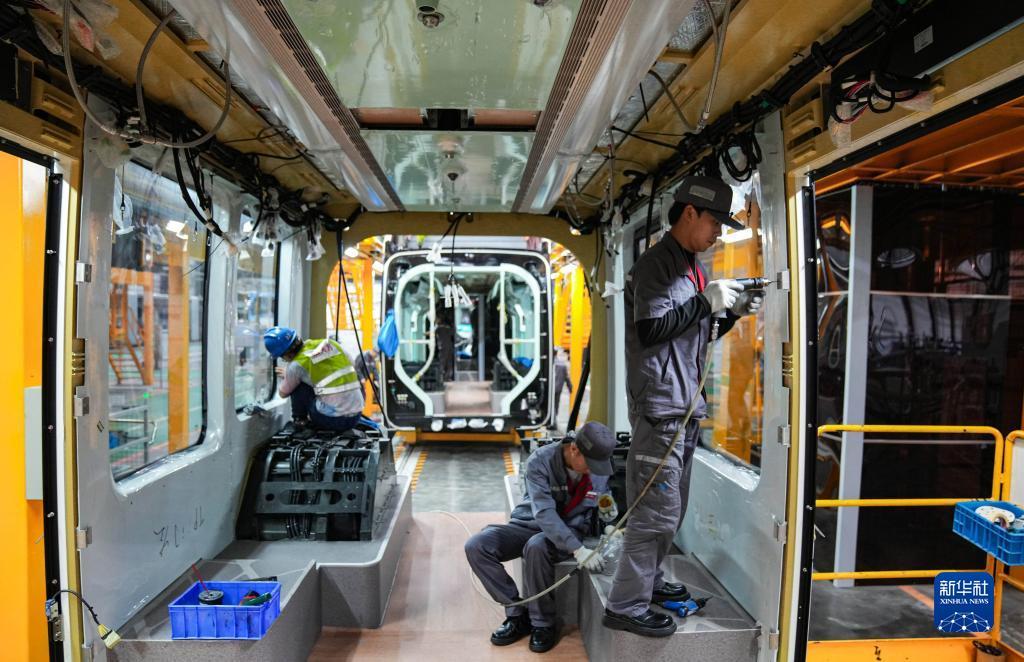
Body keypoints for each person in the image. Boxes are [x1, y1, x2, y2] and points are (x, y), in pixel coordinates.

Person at [602, 175, 763, 637]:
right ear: (690, 213)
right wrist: (706, 302)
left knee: (670, 508)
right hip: (662, 410)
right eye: (715, 222)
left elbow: (695, 333)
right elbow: (652, 329)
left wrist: (731, 313)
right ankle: (625, 605)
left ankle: (649, 584)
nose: (718, 233)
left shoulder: (693, 268)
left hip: (684, 407)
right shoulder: (656, 265)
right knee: (654, 513)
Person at [464, 422, 619, 653]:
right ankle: (517, 614)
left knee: (536, 546)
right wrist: (578, 550)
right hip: (530, 523)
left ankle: (543, 623)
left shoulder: (596, 466)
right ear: (574, 449)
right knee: (477, 546)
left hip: (570, 529)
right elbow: (544, 513)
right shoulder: (541, 461)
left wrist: (609, 516)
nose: (593, 471)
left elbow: (602, 494)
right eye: (590, 465)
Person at [264, 326, 365, 432]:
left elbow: (282, 394)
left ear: (286, 354)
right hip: (356, 416)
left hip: (333, 420)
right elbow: (351, 364)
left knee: (299, 385)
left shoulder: (296, 365)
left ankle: (300, 422)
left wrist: (288, 375)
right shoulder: (330, 343)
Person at [551, 347, 573, 428]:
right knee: (556, 404)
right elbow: (567, 378)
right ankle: (554, 421)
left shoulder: (548, 364)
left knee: (550, 405)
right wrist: (570, 387)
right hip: (558, 388)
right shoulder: (562, 365)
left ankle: (552, 421)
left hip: (549, 389)